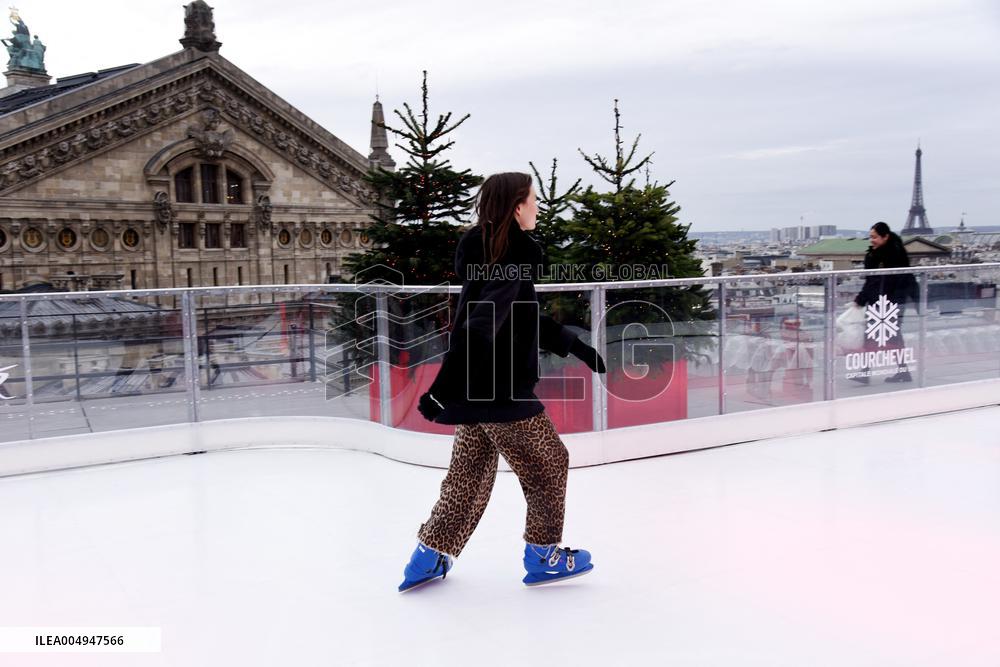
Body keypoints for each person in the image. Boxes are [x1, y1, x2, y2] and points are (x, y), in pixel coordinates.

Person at [398, 172, 607, 592]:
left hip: (479, 387)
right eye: (533, 200)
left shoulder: (493, 253)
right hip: (499, 388)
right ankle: (544, 555)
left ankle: (427, 556)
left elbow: (521, 314)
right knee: (550, 463)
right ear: (516, 206)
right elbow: (479, 327)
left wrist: (576, 347)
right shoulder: (510, 256)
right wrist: (441, 390)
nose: (538, 207)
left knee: (468, 476)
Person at [851, 221, 918, 384]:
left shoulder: (884, 256)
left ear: (885, 237)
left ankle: (869, 372)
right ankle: (900, 371)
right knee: (890, 337)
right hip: (887, 303)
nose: (871, 240)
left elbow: (873, 281)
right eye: (870, 237)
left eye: (874, 237)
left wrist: (861, 298)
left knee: (878, 337)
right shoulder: (893, 255)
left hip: (885, 303)